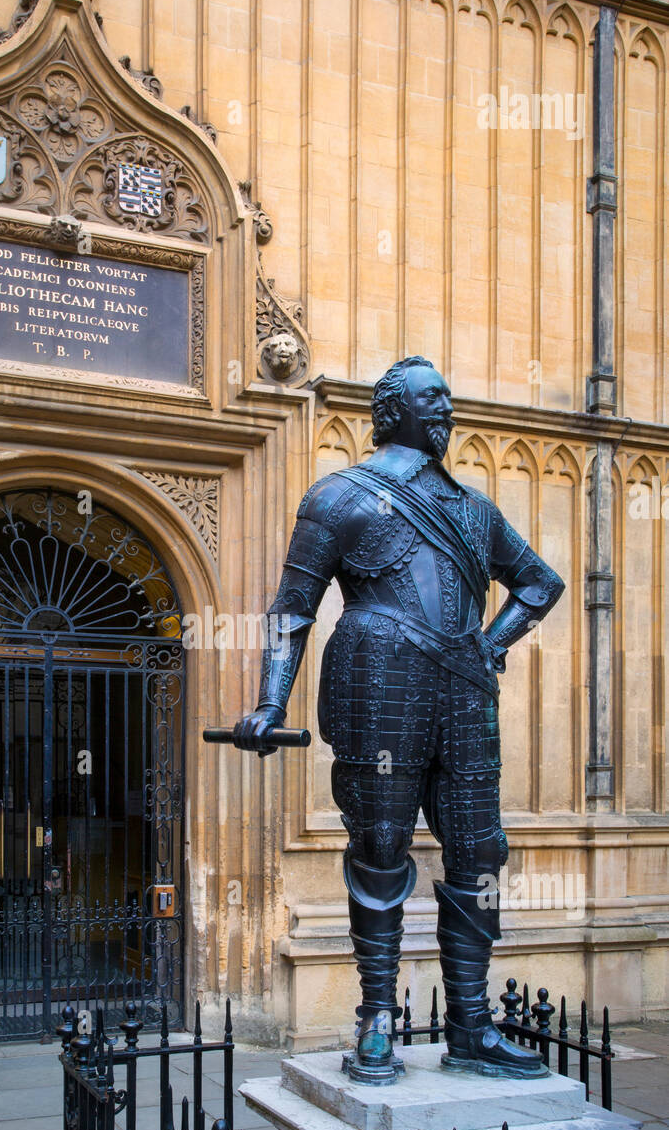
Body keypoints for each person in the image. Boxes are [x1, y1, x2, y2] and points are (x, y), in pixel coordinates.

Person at [233, 357, 565, 1083]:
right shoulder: (340, 496)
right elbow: (293, 609)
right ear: (392, 410)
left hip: (464, 689)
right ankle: (377, 1018)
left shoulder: (475, 509)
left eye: (448, 397)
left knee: (480, 849)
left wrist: (491, 641)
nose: (447, 410)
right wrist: (269, 702)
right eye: (432, 398)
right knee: (381, 846)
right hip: (375, 682)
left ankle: (472, 1025)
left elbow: (541, 582)